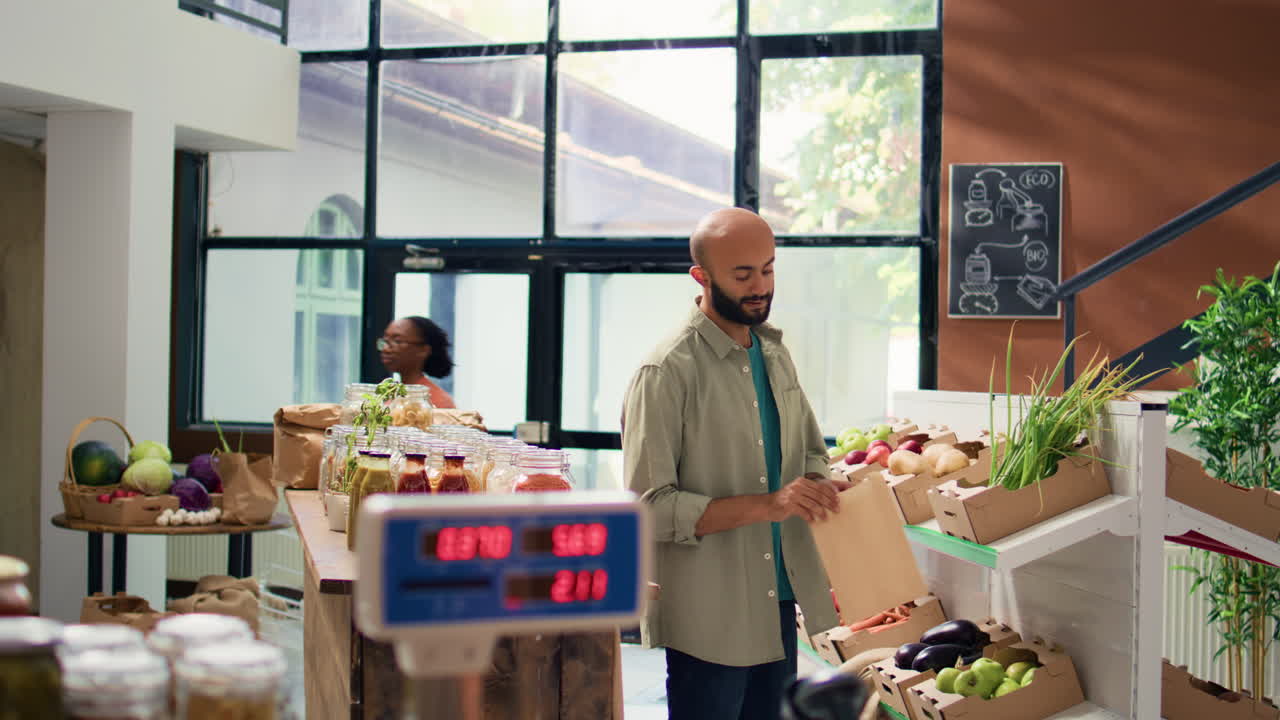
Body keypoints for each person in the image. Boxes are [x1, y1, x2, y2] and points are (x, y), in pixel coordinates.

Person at [622, 207, 847, 720]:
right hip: (711, 615)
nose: (760, 286)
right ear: (701, 277)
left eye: (767, 269)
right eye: (742, 274)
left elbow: (813, 451)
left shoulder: (774, 355)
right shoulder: (665, 371)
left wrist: (820, 483)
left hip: (780, 599)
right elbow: (649, 507)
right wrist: (770, 505)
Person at [377, 316, 457, 409]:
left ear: (424, 350)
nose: (385, 349)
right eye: (385, 341)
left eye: (397, 341)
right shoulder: (392, 394)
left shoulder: (434, 401)